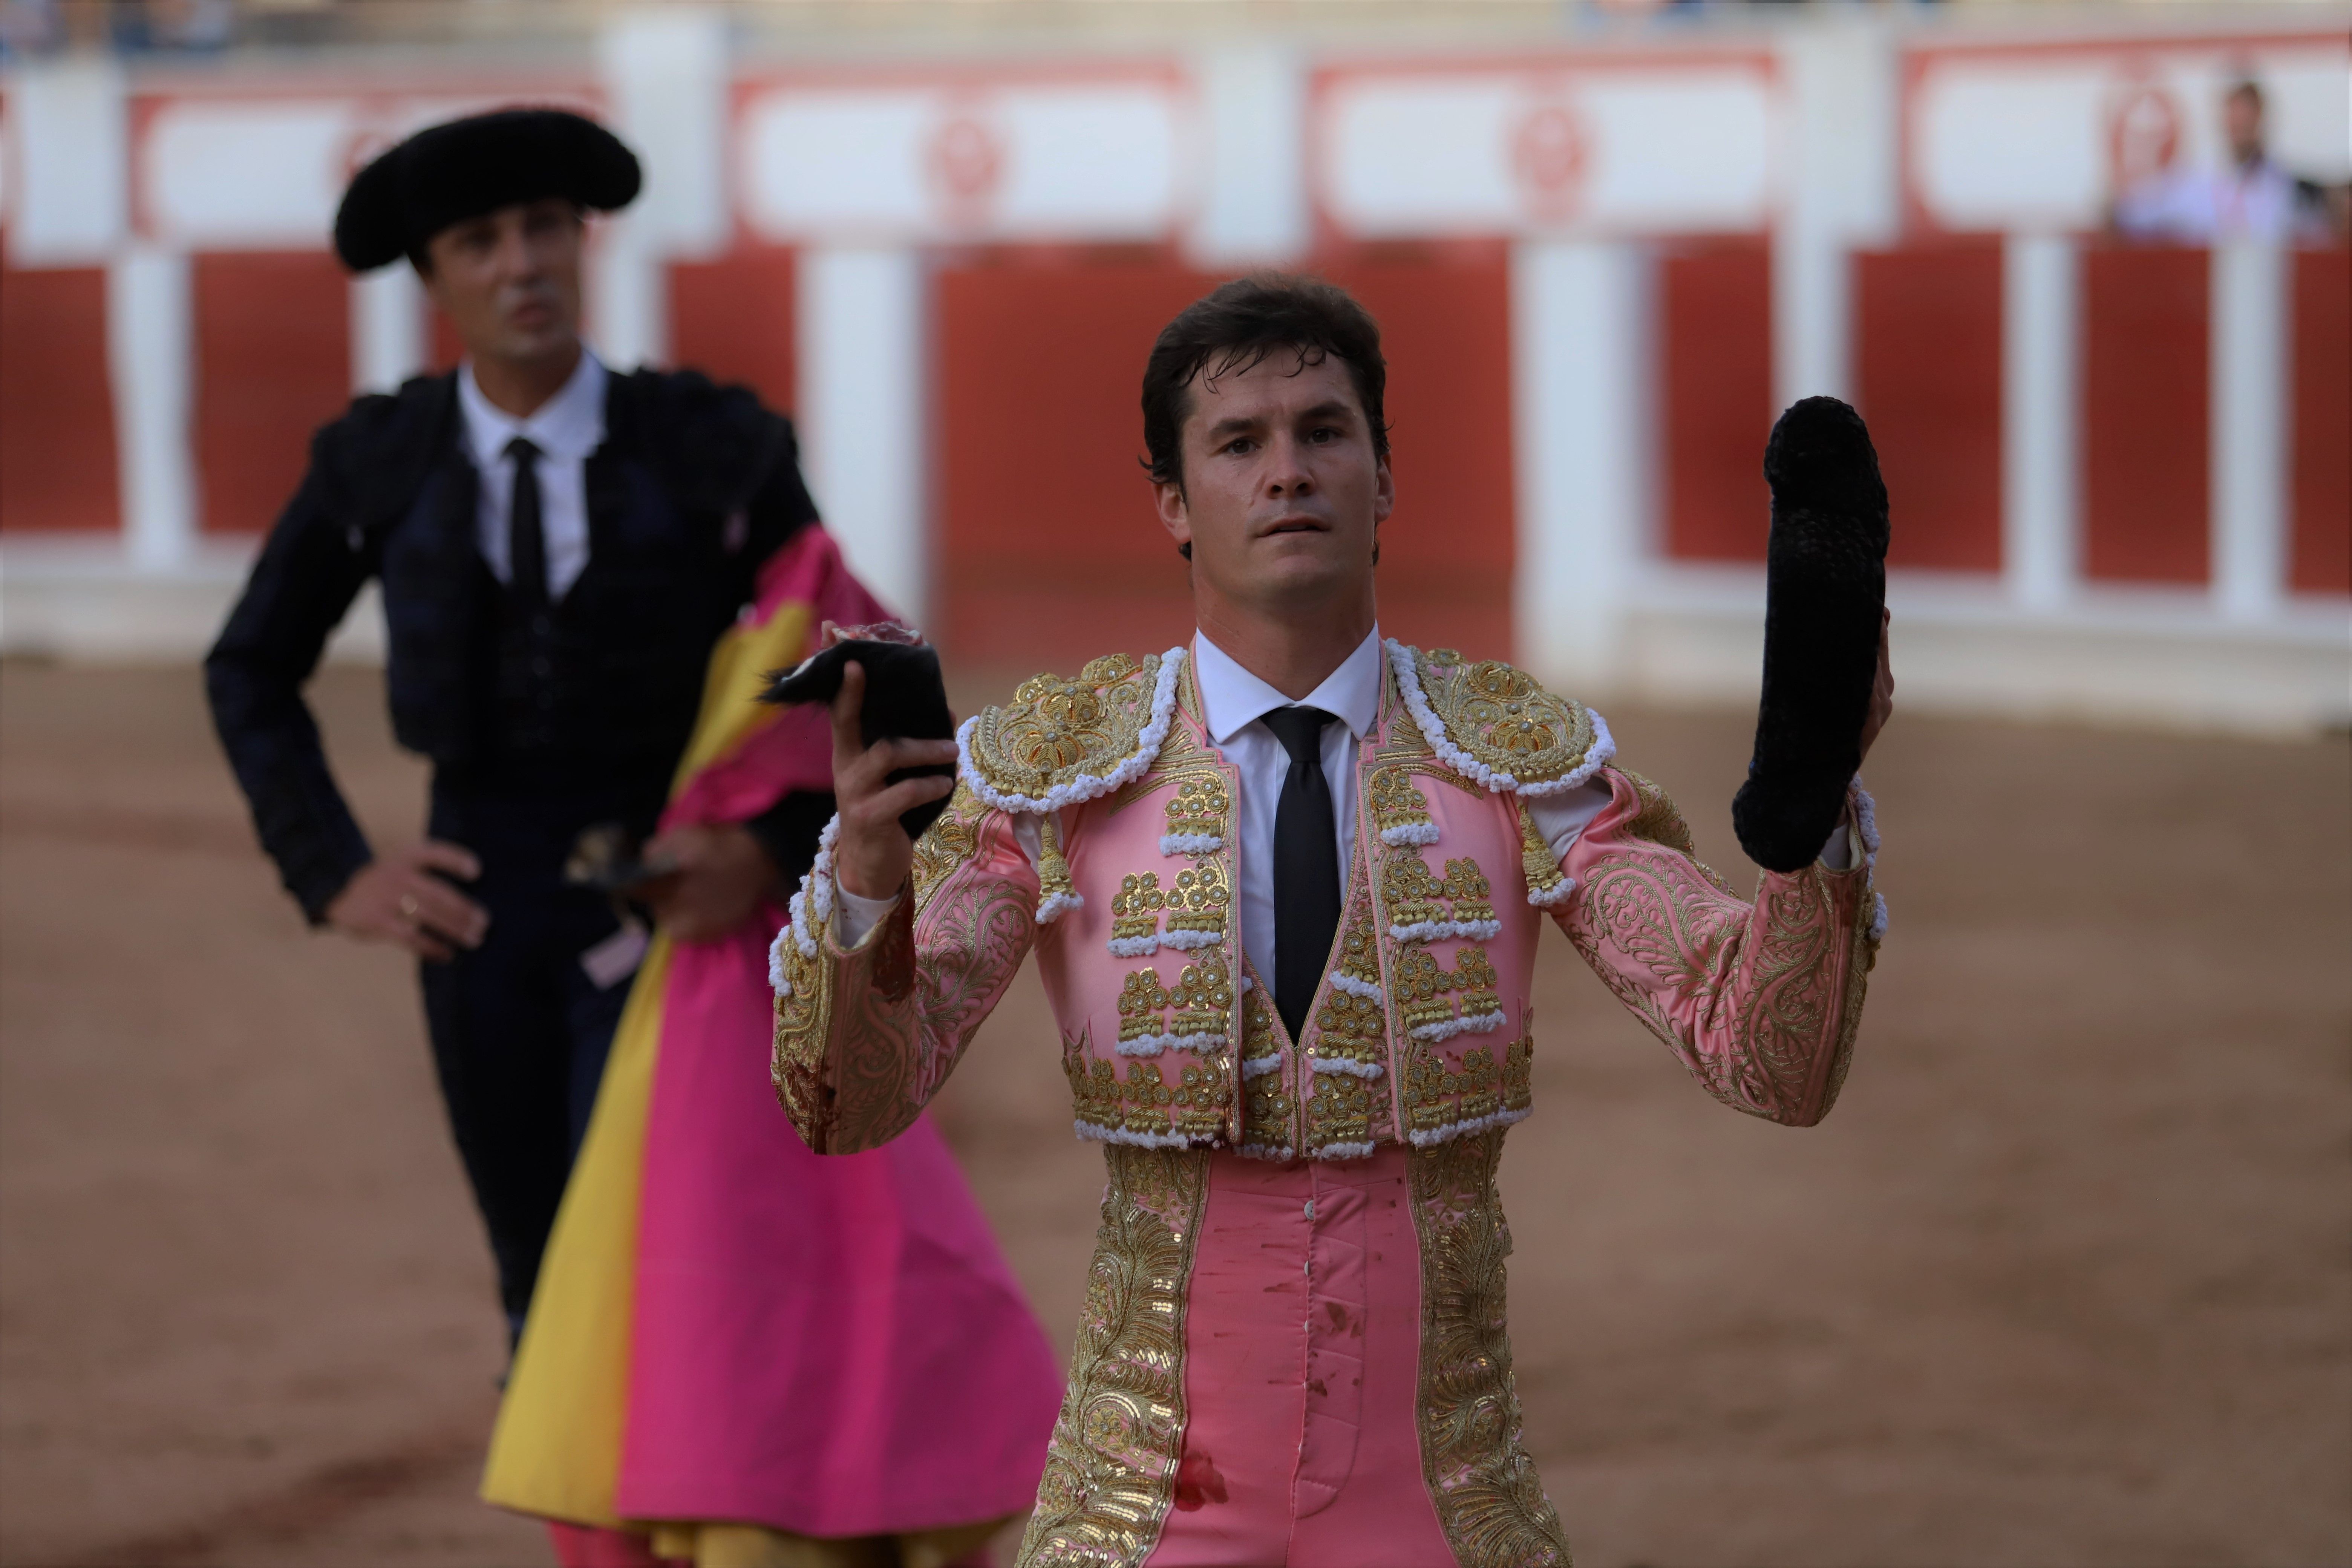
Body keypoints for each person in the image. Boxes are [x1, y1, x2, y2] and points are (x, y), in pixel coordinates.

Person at [769, 274, 1893, 1563]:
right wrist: (865, 875)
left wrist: (1814, 832)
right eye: (1239, 445)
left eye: (1324, 431)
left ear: (1385, 476)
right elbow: (850, 1105)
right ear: (1175, 508)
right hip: (1142, 1513)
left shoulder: (1519, 765)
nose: (1287, 472)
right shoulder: (1057, 781)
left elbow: (1768, 1059)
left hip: (1444, 1508)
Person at [2114, 78, 2343, 245]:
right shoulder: (2197, 185)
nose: (2241, 128)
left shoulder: (2288, 190)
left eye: (2247, 120)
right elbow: (2132, 214)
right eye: (2236, 121)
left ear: (2261, 120)